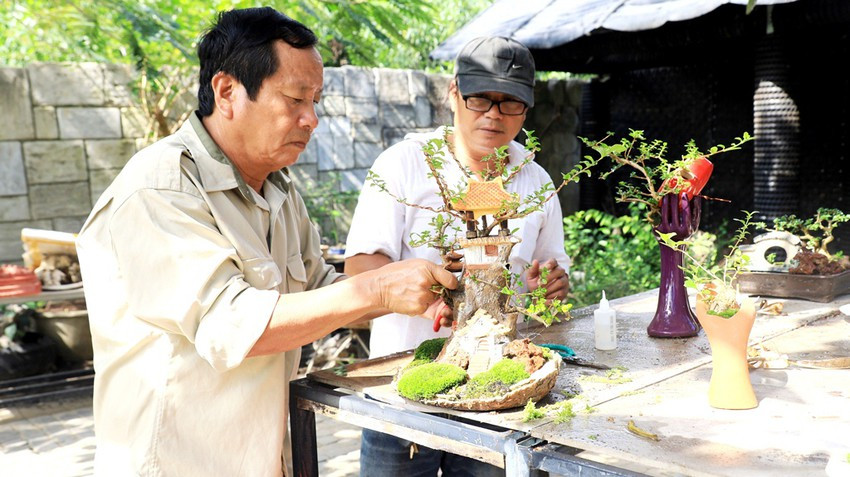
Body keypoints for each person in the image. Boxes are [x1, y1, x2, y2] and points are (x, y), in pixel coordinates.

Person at [74, 7, 455, 477]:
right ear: (227, 92)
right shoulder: (159, 188)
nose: (311, 119)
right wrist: (377, 288)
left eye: (315, 101)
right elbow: (233, 326)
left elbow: (321, 293)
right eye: (295, 99)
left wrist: (418, 288)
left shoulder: (278, 189)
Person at [345, 36, 570, 477]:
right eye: (480, 98)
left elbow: (550, 280)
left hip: (497, 390)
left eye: (510, 102)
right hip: (402, 392)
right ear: (453, 93)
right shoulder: (404, 165)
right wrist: (425, 298)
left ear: (526, 109)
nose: (493, 114)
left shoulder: (537, 181)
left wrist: (548, 286)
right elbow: (359, 270)